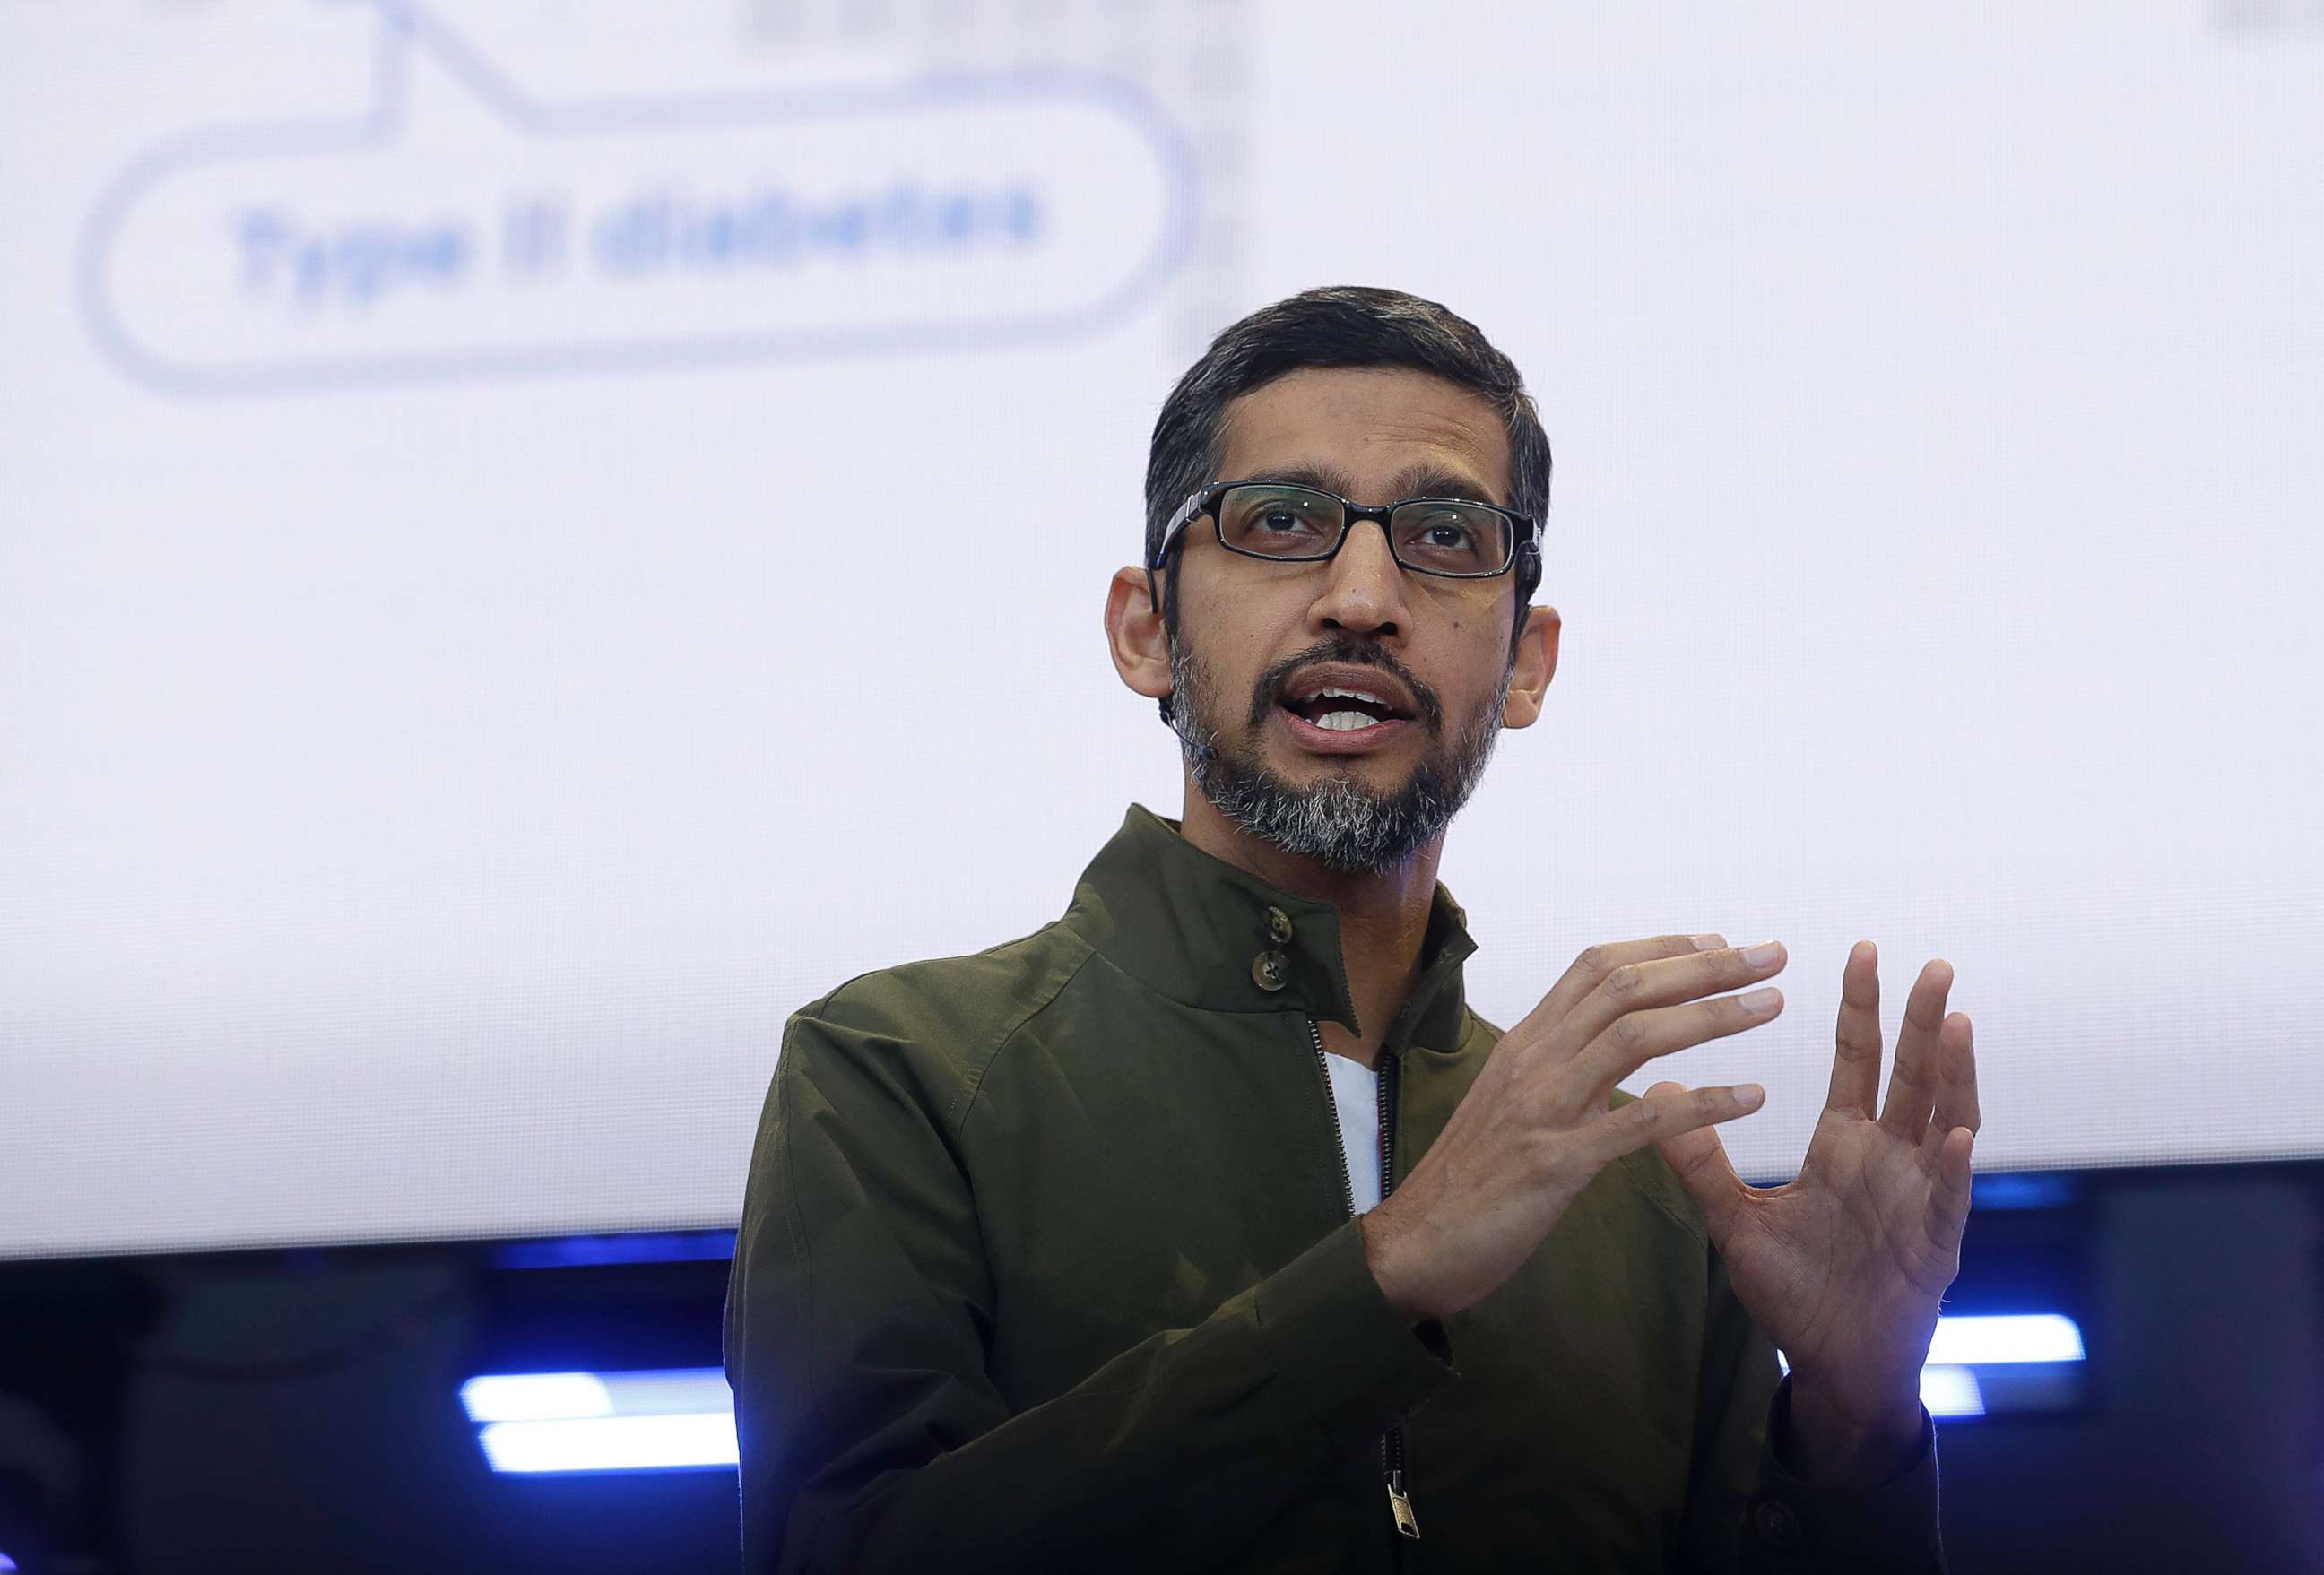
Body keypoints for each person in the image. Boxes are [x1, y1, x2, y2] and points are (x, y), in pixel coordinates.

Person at [724, 285, 1981, 1571]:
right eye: (1280, 522)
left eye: (1444, 535)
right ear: (1145, 631)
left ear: (1528, 661)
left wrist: (1850, 1427)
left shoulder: (1639, 1195)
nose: (1365, 595)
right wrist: (1383, 1277)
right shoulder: (899, 1072)